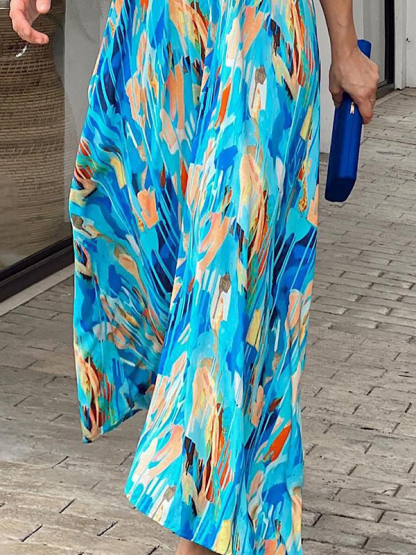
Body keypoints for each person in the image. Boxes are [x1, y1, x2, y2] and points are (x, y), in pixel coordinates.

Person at [10, 1, 379, 554]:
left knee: (227, 275)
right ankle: (231, 488)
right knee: (126, 227)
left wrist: (345, 47)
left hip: (255, 32)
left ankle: (205, 517)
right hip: (159, 27)